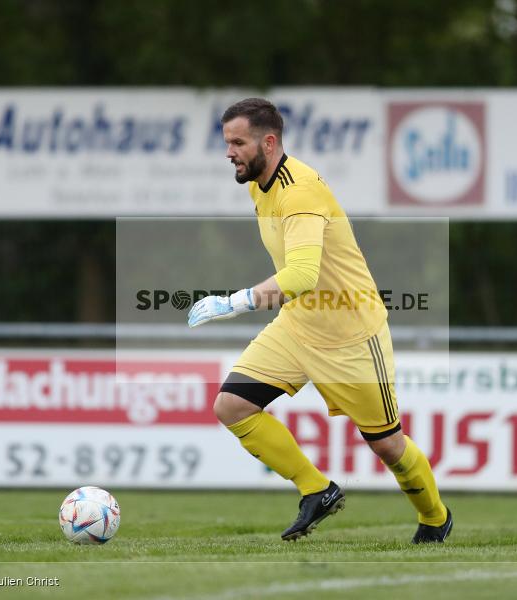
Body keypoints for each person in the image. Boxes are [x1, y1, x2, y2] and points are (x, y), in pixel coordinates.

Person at [187, 97, 451, 544]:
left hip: (351, 336)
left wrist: (234, 302)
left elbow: (302, 276)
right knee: (232, 406)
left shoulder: (301, 192)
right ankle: (317, 490)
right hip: (298, 327)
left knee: (387, 445)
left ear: (268, 143)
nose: (229, 152)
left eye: (238, 143)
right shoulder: (258, 186)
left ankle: (435, 517)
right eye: (227, 142)